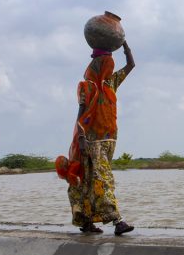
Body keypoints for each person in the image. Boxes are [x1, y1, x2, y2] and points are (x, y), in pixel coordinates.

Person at [57, 40, 136, 235]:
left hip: (109, 138)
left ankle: (86, 221)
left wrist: (125, 47)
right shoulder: (87, 87)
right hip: (90, 139)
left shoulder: (111, 83)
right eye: (106, 63)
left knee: (90, 180)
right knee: (103, 177)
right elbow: (81, 113)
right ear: (98, 65)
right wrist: (82, 136)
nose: (110, 67)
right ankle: (117, 221)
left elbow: (131, 65)